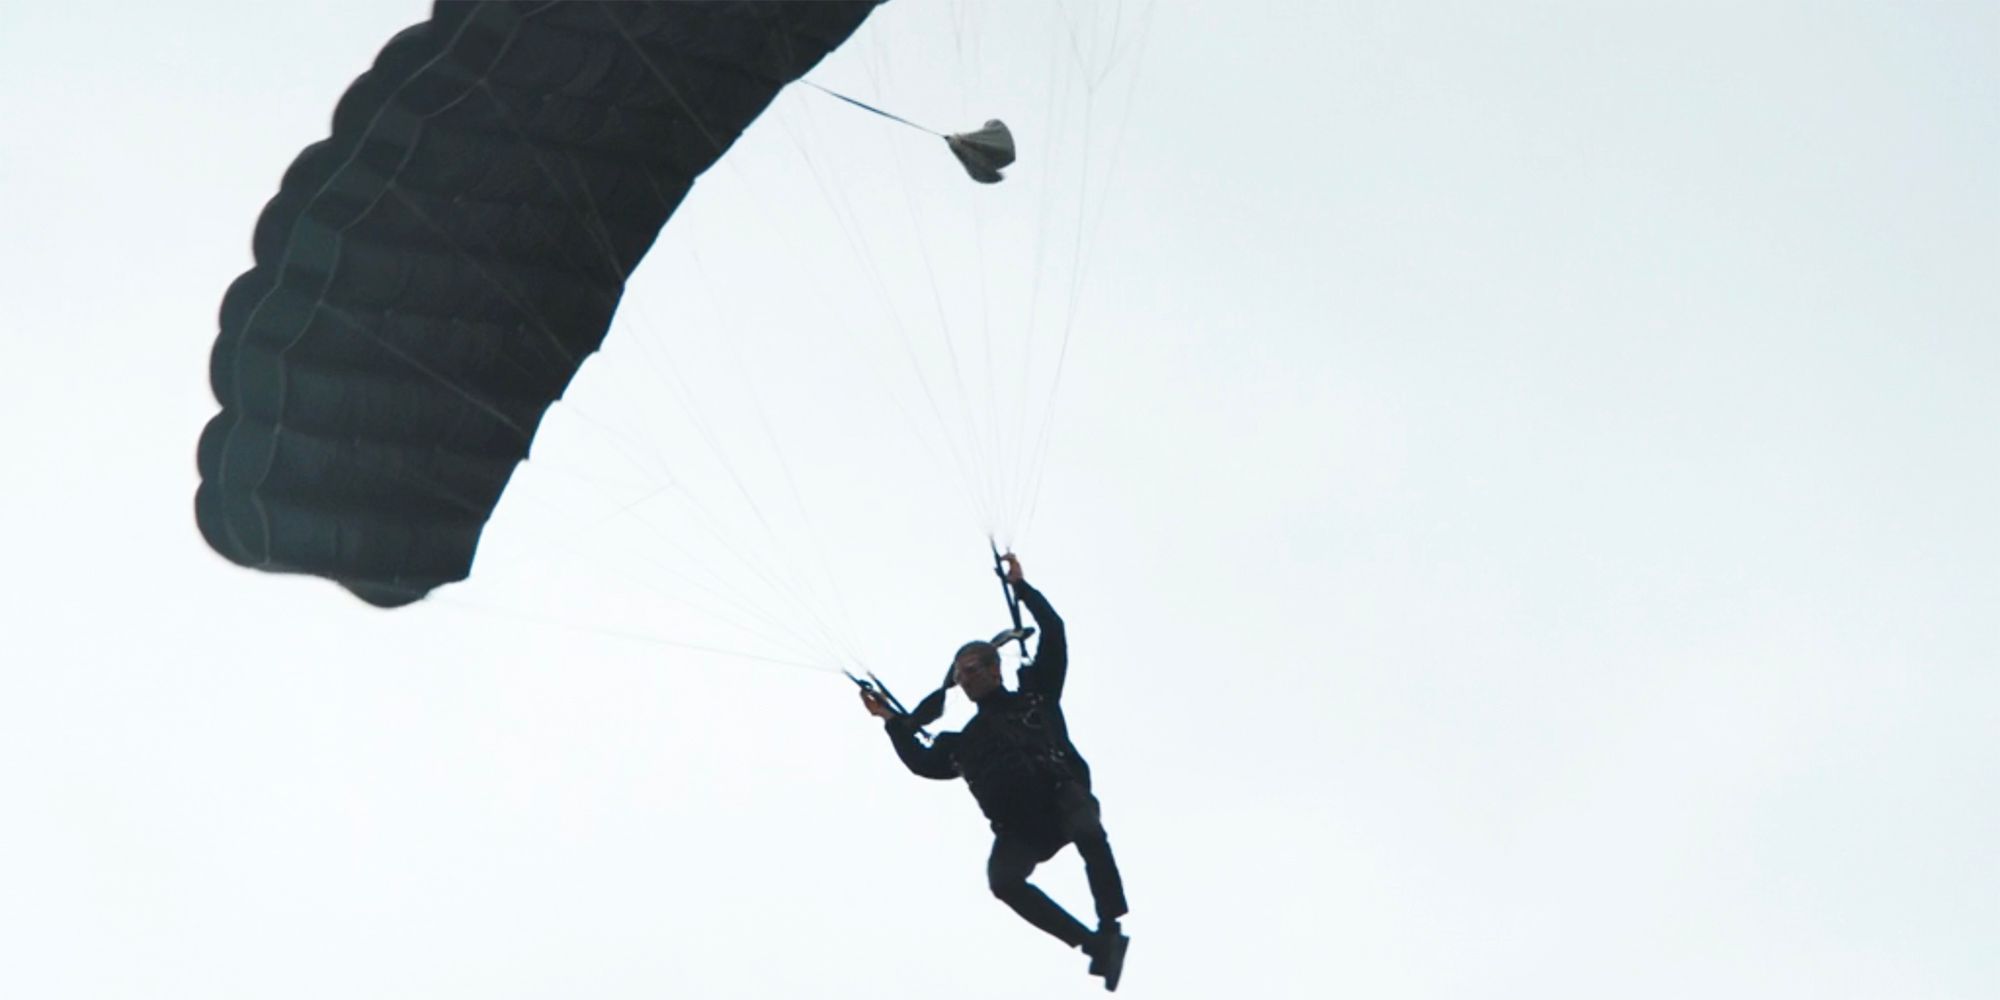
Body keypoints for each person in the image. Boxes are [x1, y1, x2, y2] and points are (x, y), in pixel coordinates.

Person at [860, 553, 1130, 990]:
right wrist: (892, 723)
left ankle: (1110, 925)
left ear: (994, 668)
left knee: (1088, 829)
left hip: (1062, 797)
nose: (966, 680)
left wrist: (1022, 589)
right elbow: (922, 763)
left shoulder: (1035, 696)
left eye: (972, 670)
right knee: (1003, 881)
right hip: (1022, 828)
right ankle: (1094, 946)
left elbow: (1055, 633)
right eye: (960, 676)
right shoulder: (966, 740)